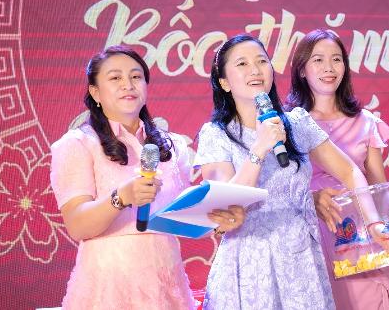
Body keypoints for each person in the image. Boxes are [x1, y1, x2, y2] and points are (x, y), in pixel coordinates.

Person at [193, 34, 389, 310]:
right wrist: (259, 148)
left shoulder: (297, 122)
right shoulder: (216, 134)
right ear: (224, 82)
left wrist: (373, 222)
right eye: (242, 64)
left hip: (301, 262)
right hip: (249, 265)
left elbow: (349, 171)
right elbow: (226, 206)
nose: (255, 70)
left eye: (262, 61)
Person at [50, 45, 244, 310]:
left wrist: (217, 220)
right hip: (109, 286)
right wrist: (121, 197)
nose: (127, 85)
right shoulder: (79, 144)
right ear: (95, 92)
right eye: (115, 78)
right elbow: (78, 226)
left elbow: (181, 218)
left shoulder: (172, 146)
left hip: (166, 284)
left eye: (136, 76)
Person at [287, 29, 389, 310]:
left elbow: (379, 187)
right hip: (310, 236)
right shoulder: (288, 124)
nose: (329, 68)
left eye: (336, 59)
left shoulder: (366, 122)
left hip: (361, 236)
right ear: (301, 70)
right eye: (318, 60)